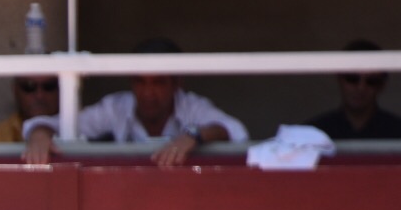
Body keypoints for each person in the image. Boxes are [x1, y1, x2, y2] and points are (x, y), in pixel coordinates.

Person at [21, 39, 248, 167]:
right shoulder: (116, 107)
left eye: (158, 82)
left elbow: (235, 130)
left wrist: (193, 136)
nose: (148, 92)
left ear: (177, 83)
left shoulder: (191, 106)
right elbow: (56, 124)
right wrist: (40, 135)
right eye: (140, 82)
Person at [307, 40, 401, 140]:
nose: (361, 88)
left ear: (382, 85)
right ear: (339, 79)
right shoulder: (314, 133)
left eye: (371, 81)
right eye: (352, 79)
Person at [0, 76, 59, 145]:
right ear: (15, 90)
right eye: (29, 86)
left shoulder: (70, 128)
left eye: (49, 86)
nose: (40, 95)